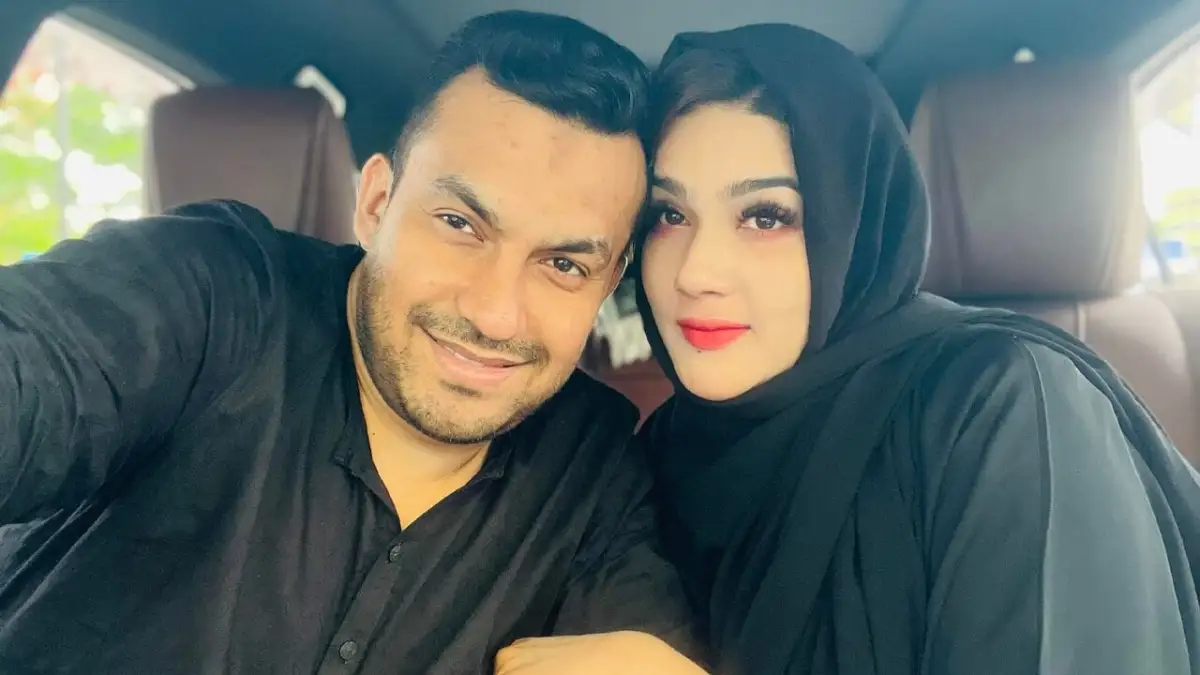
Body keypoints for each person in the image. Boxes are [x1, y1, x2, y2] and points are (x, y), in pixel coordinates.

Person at [0, 11, 706, 675]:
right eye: (460, 223)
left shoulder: (593, 468)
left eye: (564, 265)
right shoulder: (213, 293)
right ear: (375, 204)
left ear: (607, 280)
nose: (496, 314)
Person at [634, 23, 1200, 675]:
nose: (695, 272)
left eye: (767, 216)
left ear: (856, 229)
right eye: (668, 215)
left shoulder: (998, 405)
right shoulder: (657, 450)